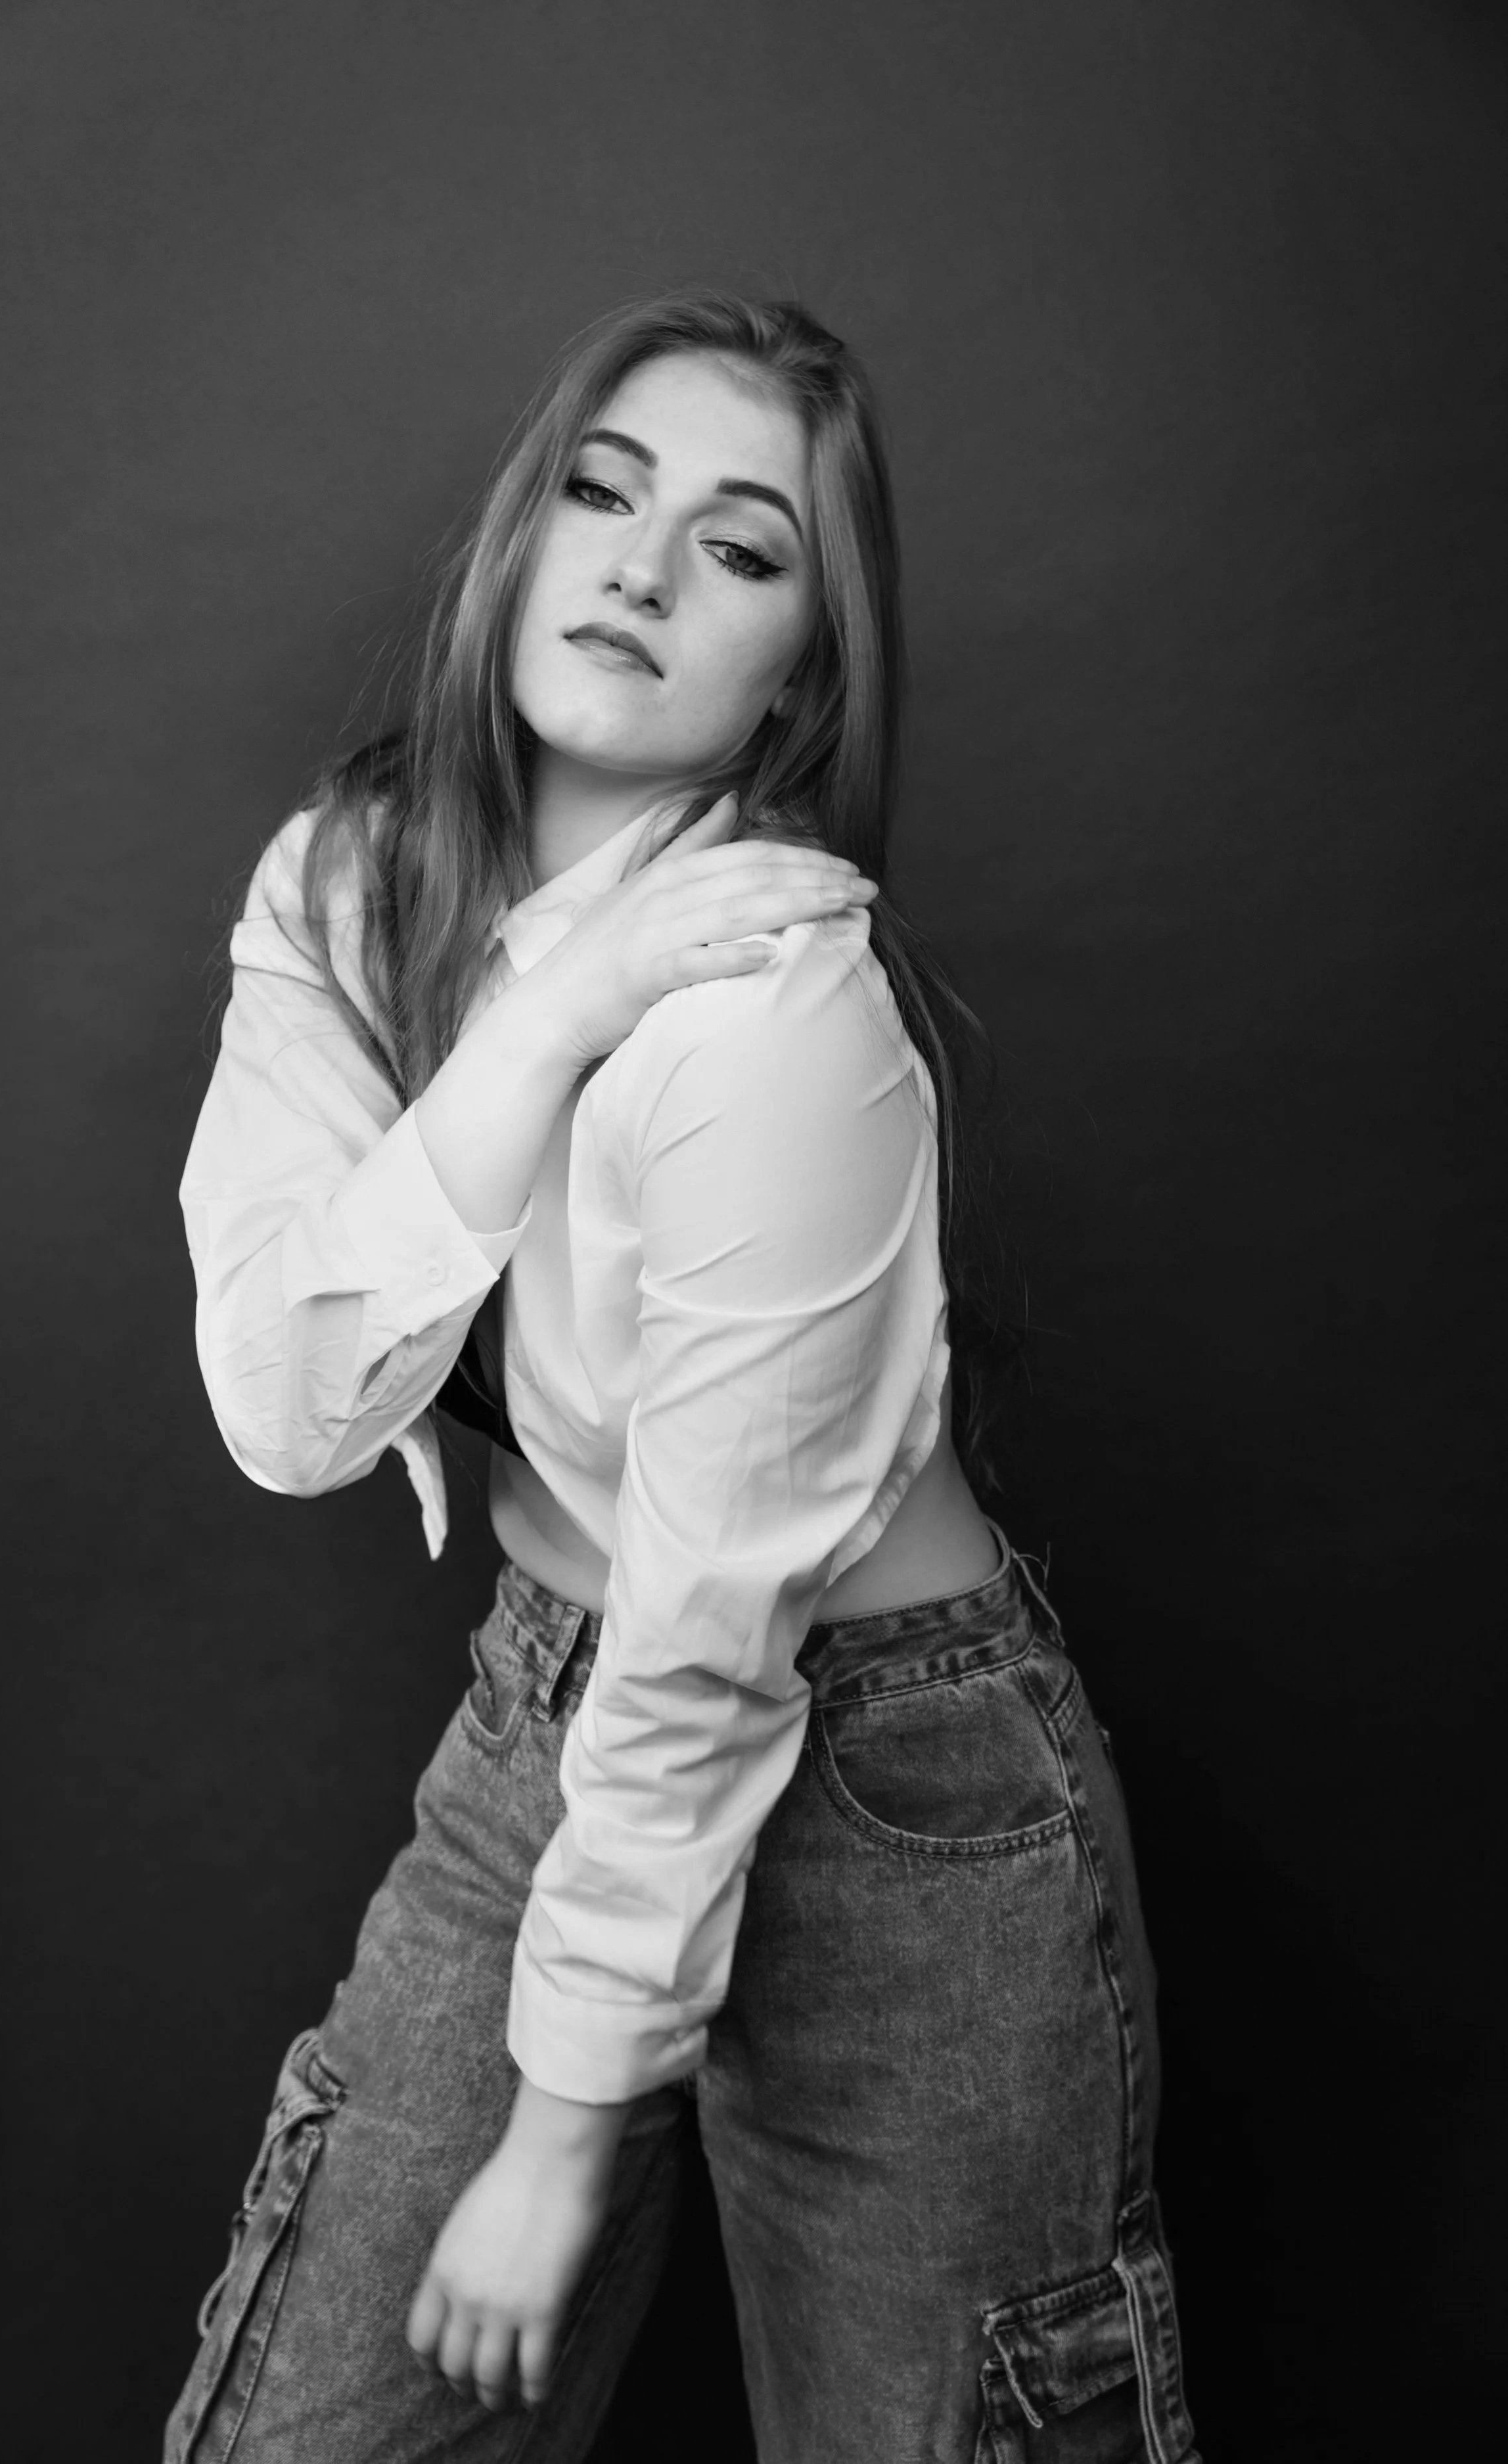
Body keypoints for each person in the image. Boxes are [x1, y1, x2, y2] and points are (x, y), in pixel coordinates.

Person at [166, 290, 1199, 2464]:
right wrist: (548, 1017)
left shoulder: (770, 1001)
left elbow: (721, 1616)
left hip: (890, 1780)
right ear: (520, 535)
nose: (639, 569)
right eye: (600, 492)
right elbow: (286, 1408)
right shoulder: (346, 887)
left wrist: (562, 2140)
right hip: (557, 1704)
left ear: (797, 673)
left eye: (737, 549)